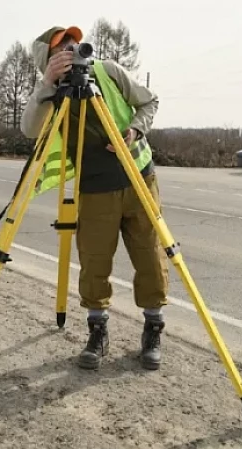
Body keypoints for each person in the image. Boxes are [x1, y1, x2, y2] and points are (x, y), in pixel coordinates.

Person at [20, 26, 169, 371]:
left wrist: (135, 129)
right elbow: (30, 129)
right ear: (48, 60)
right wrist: (47, 84)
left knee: (149, 256)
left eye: (73, 43)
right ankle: (97, 330)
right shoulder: (52, 92)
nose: (71, 50)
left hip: (138, 178)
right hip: (95, 186)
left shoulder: (107, 70)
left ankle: (153, 328)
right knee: (94, 261)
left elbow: (150, 100)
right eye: (61, 48)